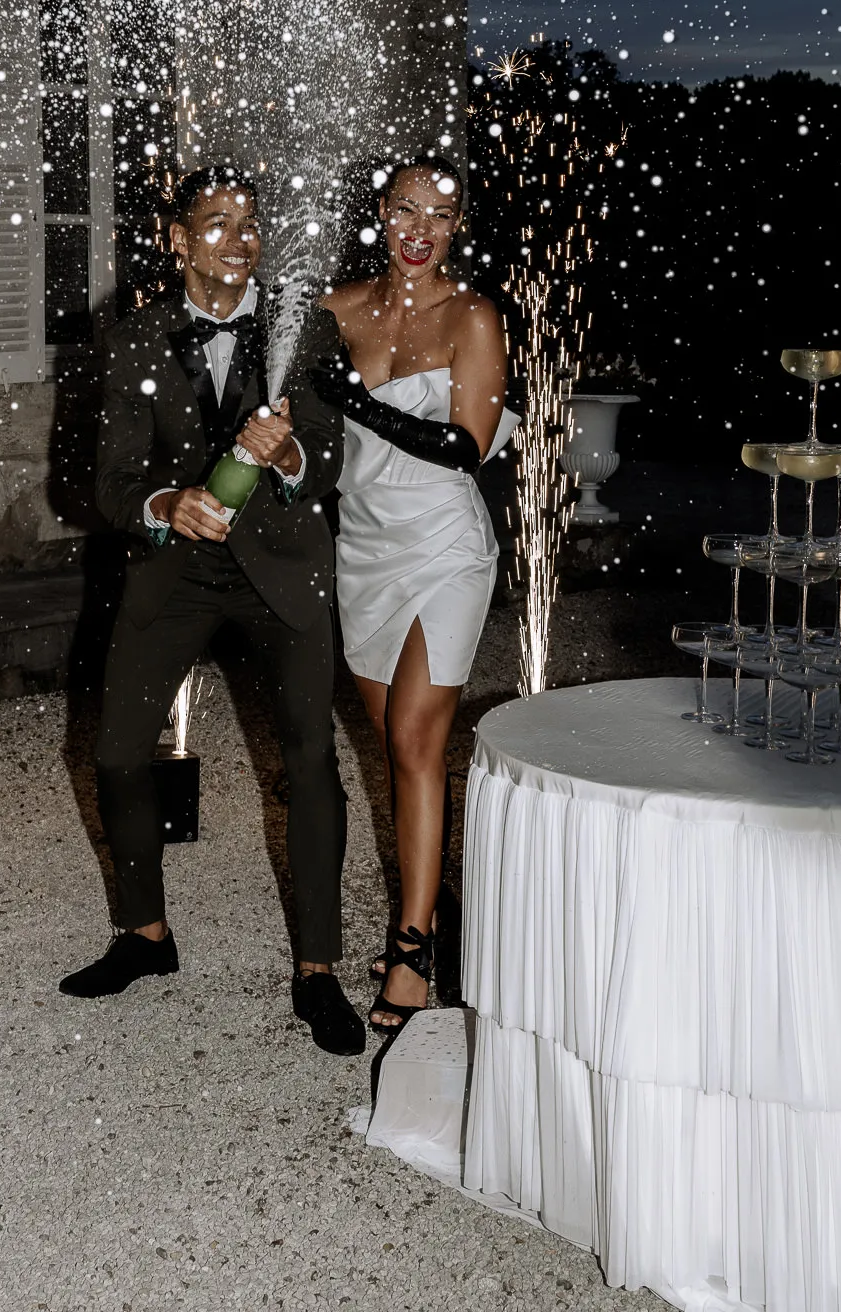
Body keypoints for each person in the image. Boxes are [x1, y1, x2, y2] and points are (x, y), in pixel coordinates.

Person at [60, 164, 365, 1057]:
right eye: (218, 223)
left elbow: (330, 463)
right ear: (179, 240)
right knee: (117, 751)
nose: (241, 239)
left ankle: (317, 972)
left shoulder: (306, 330)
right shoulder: (133, 339)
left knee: (308, 764)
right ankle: (144, 936)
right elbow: (105, 480)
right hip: (175, 575)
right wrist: (163, 507)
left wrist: (291, 454)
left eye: (251, 223)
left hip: (283, 572)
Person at [317, 156, 516, 1034]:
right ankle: (421, 913)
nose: (420, 226)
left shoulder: (473, 316)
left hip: (443, 543)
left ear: (456, 227)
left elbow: (462, 449)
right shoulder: (335, 311)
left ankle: (410, 950)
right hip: (363, 547)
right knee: (390, 749)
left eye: (440, 212)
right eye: (406, 206)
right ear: (382, 213)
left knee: (413, 740)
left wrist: (352, 402)